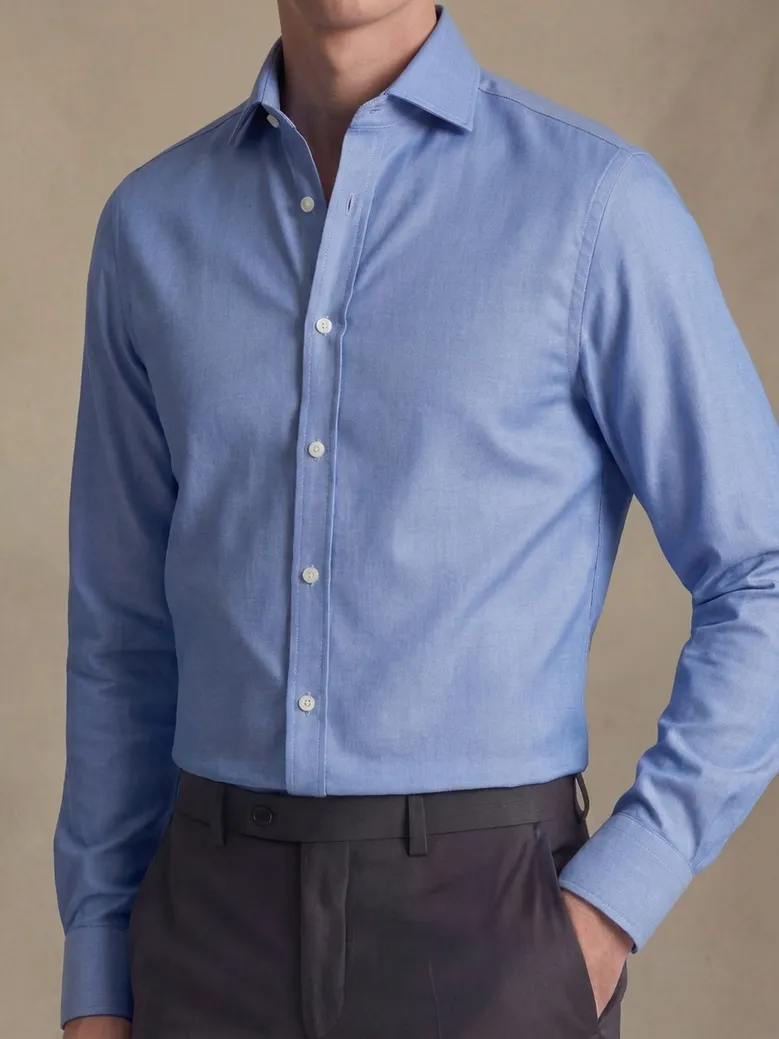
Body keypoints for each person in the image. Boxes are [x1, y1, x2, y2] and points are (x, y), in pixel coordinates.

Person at [54, 2, 779, 1037]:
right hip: (202, 929)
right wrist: (96, 967)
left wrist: (613, 902)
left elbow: (760, 571)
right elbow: (121, 633)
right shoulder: (149, 226)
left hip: (491, 934)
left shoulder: (594, 206)